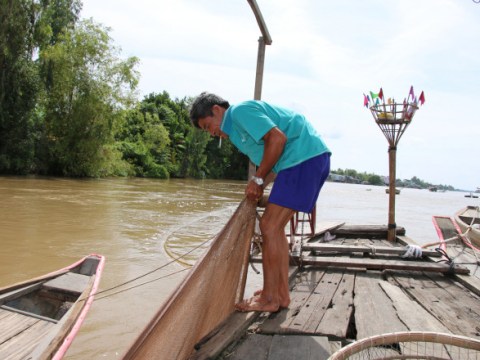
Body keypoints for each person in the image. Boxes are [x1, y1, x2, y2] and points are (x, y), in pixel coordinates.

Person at [189, 92, 331, 313]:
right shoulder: (236, 133)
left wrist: (257, 179)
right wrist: (260, 185)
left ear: (217, 110)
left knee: (269, 226)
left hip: (303, 158)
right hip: (303, 160)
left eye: (208, 126)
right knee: (274, 227)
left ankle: (269, 298)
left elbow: (278, 139)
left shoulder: (239, 112)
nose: (211, 133)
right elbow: (272, 164)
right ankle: (280, 295)